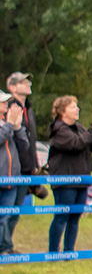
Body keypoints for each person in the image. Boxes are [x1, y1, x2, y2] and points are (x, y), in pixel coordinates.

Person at [47, 96, 92, 253]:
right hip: (65, 181)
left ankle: (69, 251)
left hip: (81, 180)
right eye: (73, 106)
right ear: (62, 111)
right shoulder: (58, 129)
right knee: (61, 217)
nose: (77, 109)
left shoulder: (79, 128)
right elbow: (77, 144)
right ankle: (53, 252)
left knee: (75, 218)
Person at [2, 72, 38, 254]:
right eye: (23, 82)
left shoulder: (28, 109)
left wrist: (34, 165)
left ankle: (7, 246)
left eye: (28, 81)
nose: (27, 84)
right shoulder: (8, 110)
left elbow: (28, 142)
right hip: (8, 170)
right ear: (12, 88)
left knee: (14, 212)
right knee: (6, 213)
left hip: (25, 169)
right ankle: (5, 247)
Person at [0, 90, 29, 255]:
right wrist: (10, 125)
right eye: (3, 101)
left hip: (12, 180)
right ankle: (4, 248)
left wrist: (17, 127)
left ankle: (6, 247)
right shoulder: (6, 124)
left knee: (9, 217)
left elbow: (24, 147)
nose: (7, 104)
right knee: (2, 219)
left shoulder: (7, 122)